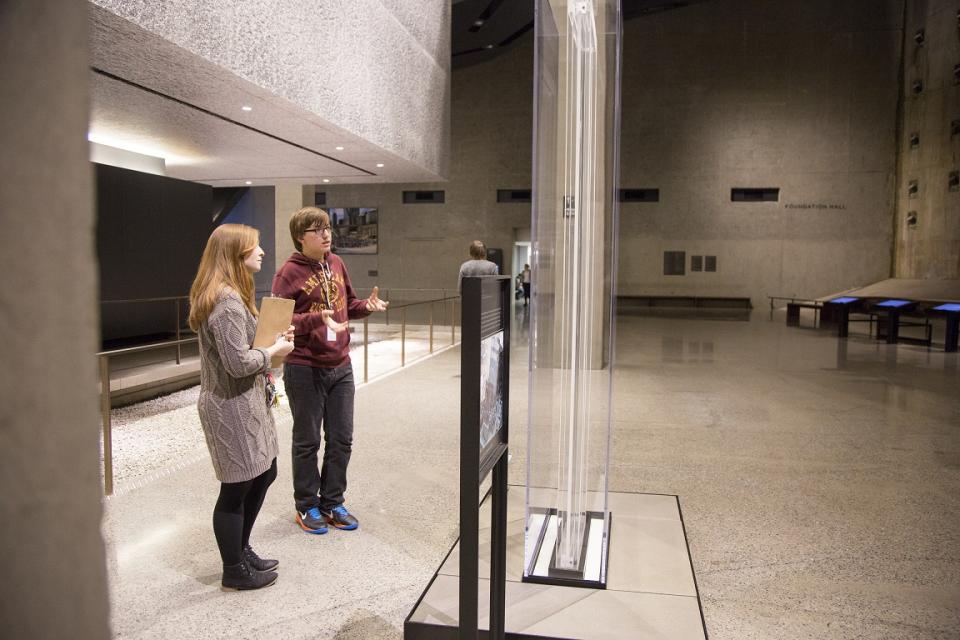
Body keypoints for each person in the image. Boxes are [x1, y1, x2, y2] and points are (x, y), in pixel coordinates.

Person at [188, 223, 295, 591]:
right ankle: (233, 568)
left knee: (264, 473)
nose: (262, 251)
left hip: (246, 402)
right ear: (236, 253)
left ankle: (241, 548)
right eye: (255, 246)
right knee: (236, 488)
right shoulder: (226, 301)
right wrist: (273, 352)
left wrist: (273, 341)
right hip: (229, 406)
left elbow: (245, 349)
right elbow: (237, 363)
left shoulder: (232, 294)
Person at [272, 206, 389, 535]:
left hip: (341, 364)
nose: (326, 234)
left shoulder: (336, 262)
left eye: (327, 229)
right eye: (316, 230)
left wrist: (366, 306)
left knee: (341, 439)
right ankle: (307, 505)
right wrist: (314, 318)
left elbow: (347, 305)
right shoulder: (288, 273)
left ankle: (332, 501)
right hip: (305, 367)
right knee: (307, 441)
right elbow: (279, 321)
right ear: (300, 237)